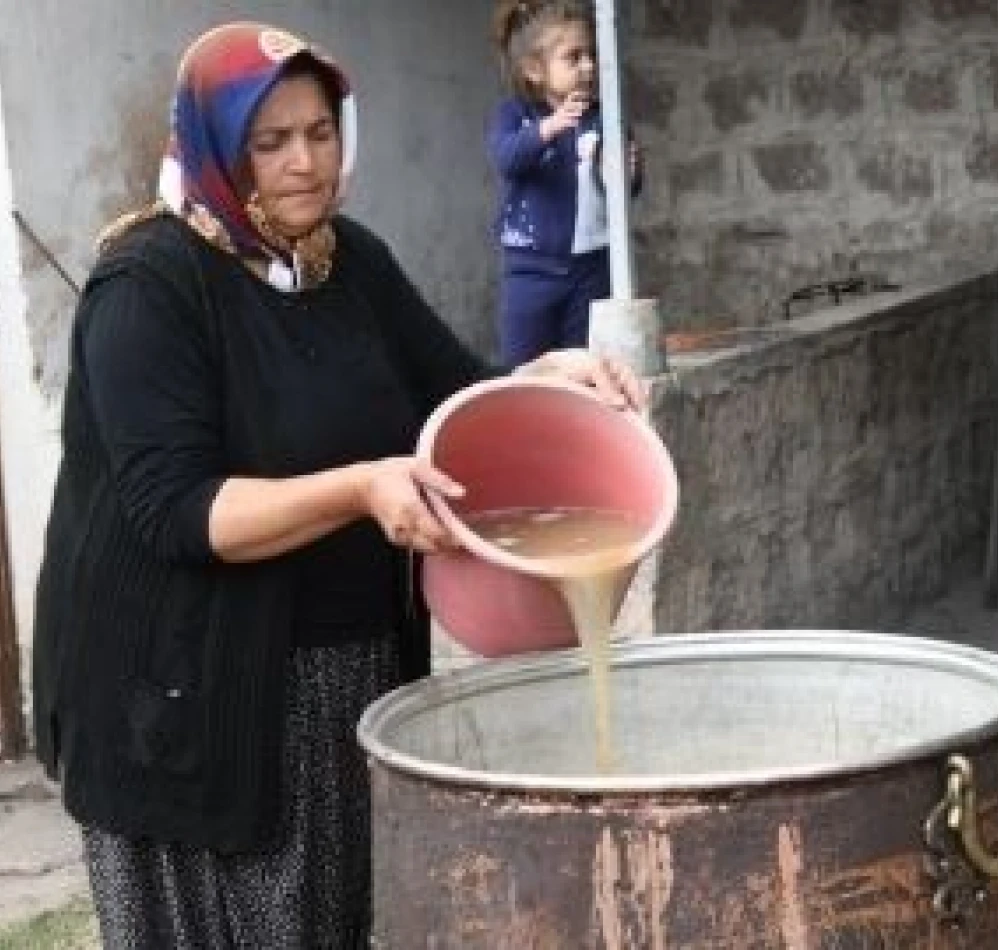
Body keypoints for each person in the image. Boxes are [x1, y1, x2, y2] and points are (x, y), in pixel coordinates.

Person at [29, 22, 644, 948]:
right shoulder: (148, 288)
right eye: (269, 142)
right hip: (181, 700)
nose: (305, 163)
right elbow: (182, 514)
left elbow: (453, 393)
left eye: (320, 132)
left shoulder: (345, 261)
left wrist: (547, 374)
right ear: (211, 147)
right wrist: (360, 488)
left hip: (337, 684)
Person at [490, 0, 643, 364]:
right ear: (533, 70)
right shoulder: (517, 116)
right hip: (531, 270)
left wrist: (629, 174)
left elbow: (623, 192)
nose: (588, 66)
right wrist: (547, 130)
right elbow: (506, 159)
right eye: (573, 57)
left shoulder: (604, 117)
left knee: (585, 364)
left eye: (590, 54)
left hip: (592, 268)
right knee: (528, 367)